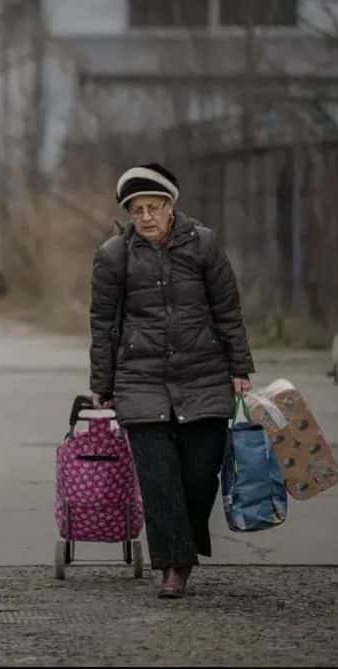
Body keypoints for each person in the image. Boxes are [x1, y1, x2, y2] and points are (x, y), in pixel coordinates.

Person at [89, 163, 255, 599]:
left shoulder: (204, 245)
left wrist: (240, 369)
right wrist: (102, 384)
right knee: (159, 480)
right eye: (136, 210)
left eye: (153, 207)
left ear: (171, 206)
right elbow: (103, 324)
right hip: (140, 381)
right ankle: (172, 567)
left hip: (204, 377)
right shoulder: (113, 256)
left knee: (200, 477)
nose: (145, 217)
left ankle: (184, 544)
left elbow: (228, 311)